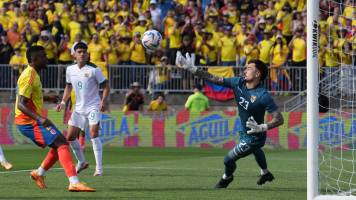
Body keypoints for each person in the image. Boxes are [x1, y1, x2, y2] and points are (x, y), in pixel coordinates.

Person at [175, 51, 284, 188]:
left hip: (254, 137)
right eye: (246, 67)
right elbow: (214, 78)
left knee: (228, 159)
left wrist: (261, 127)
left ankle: (226, 178)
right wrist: (193, 69)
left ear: (257, 74)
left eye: (249, 68)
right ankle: (265, 173)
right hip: (244, 130)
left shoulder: (263, 95)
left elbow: (279, 119)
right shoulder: (238, 83)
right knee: (256, 150)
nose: (245, 70)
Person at [15, 45, 95, 192]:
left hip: (31, 121)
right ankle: (74, 182)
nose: (47, 58)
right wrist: (39, 118)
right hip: (27, 123)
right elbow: (21, 104)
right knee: (61, 143)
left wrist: (48, 97)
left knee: (59, 142)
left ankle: (38, 173)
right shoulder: (29, 75)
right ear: (35, 59)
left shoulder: (34, 74)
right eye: (44, 56)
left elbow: (30, 97)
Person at [56, 42, 110, 177]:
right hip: (79, 108)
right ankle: (81, 162)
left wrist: (103, 101)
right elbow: (68, 87)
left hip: (93, 106)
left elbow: (106, 86)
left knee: (93, 133)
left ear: (87, 54)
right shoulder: (70, 69)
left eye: (84, 52)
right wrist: (63, 102)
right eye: (79, 52)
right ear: (74, 54)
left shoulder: (94, 69)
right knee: (70, 137)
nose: (82, 54)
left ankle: (99, 169)